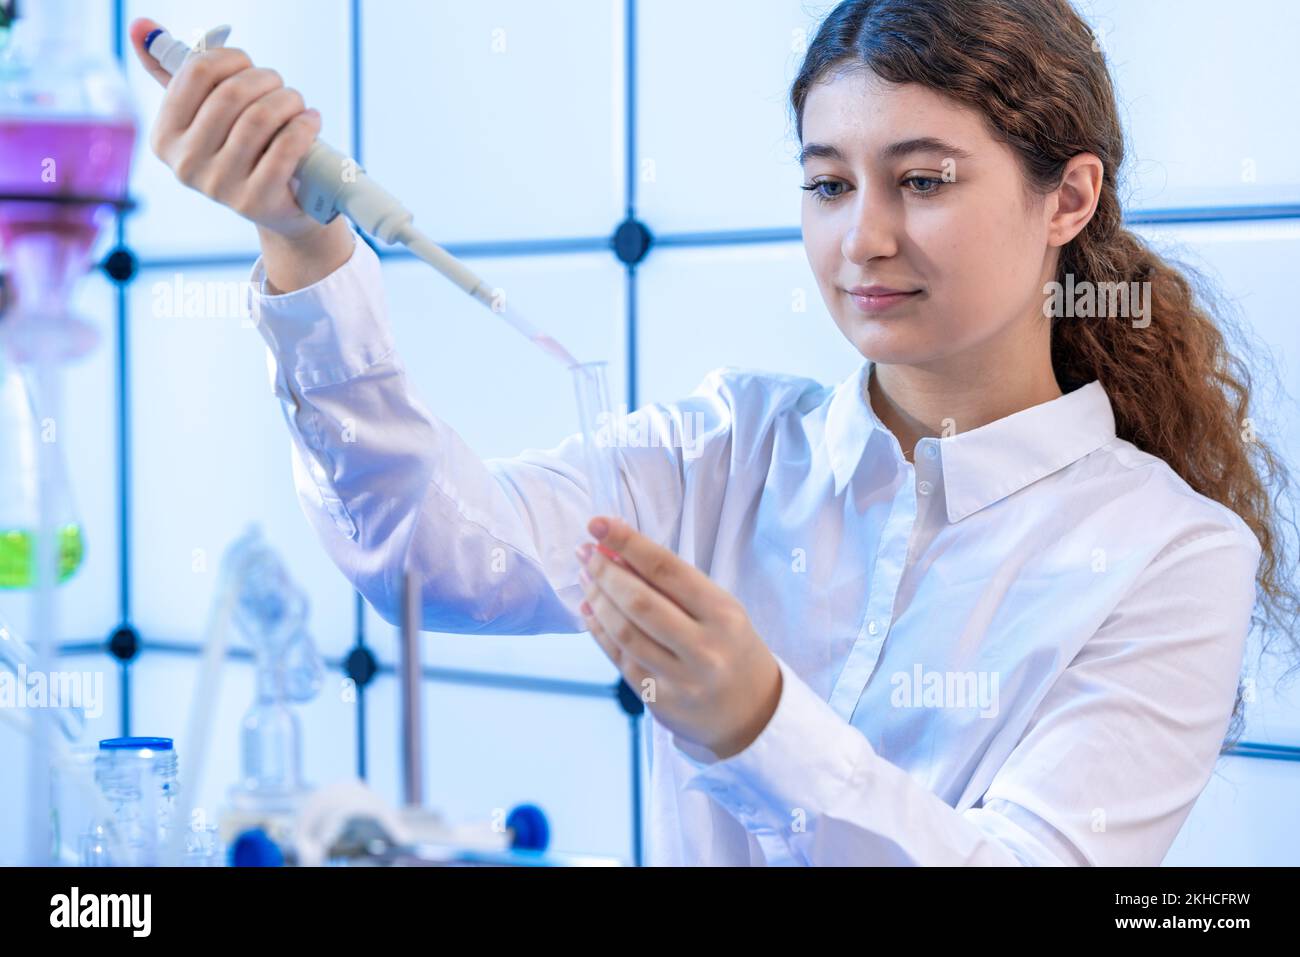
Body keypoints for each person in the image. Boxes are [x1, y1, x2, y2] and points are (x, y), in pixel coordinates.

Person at [129, 0, 1298, 866]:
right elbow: (435, 556)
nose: (863, 242)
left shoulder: (1172, 557)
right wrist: (302, 244)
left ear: (1069, 198)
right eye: (829, 185)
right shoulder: (725, 449)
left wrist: (758, 722)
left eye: (923, 181)